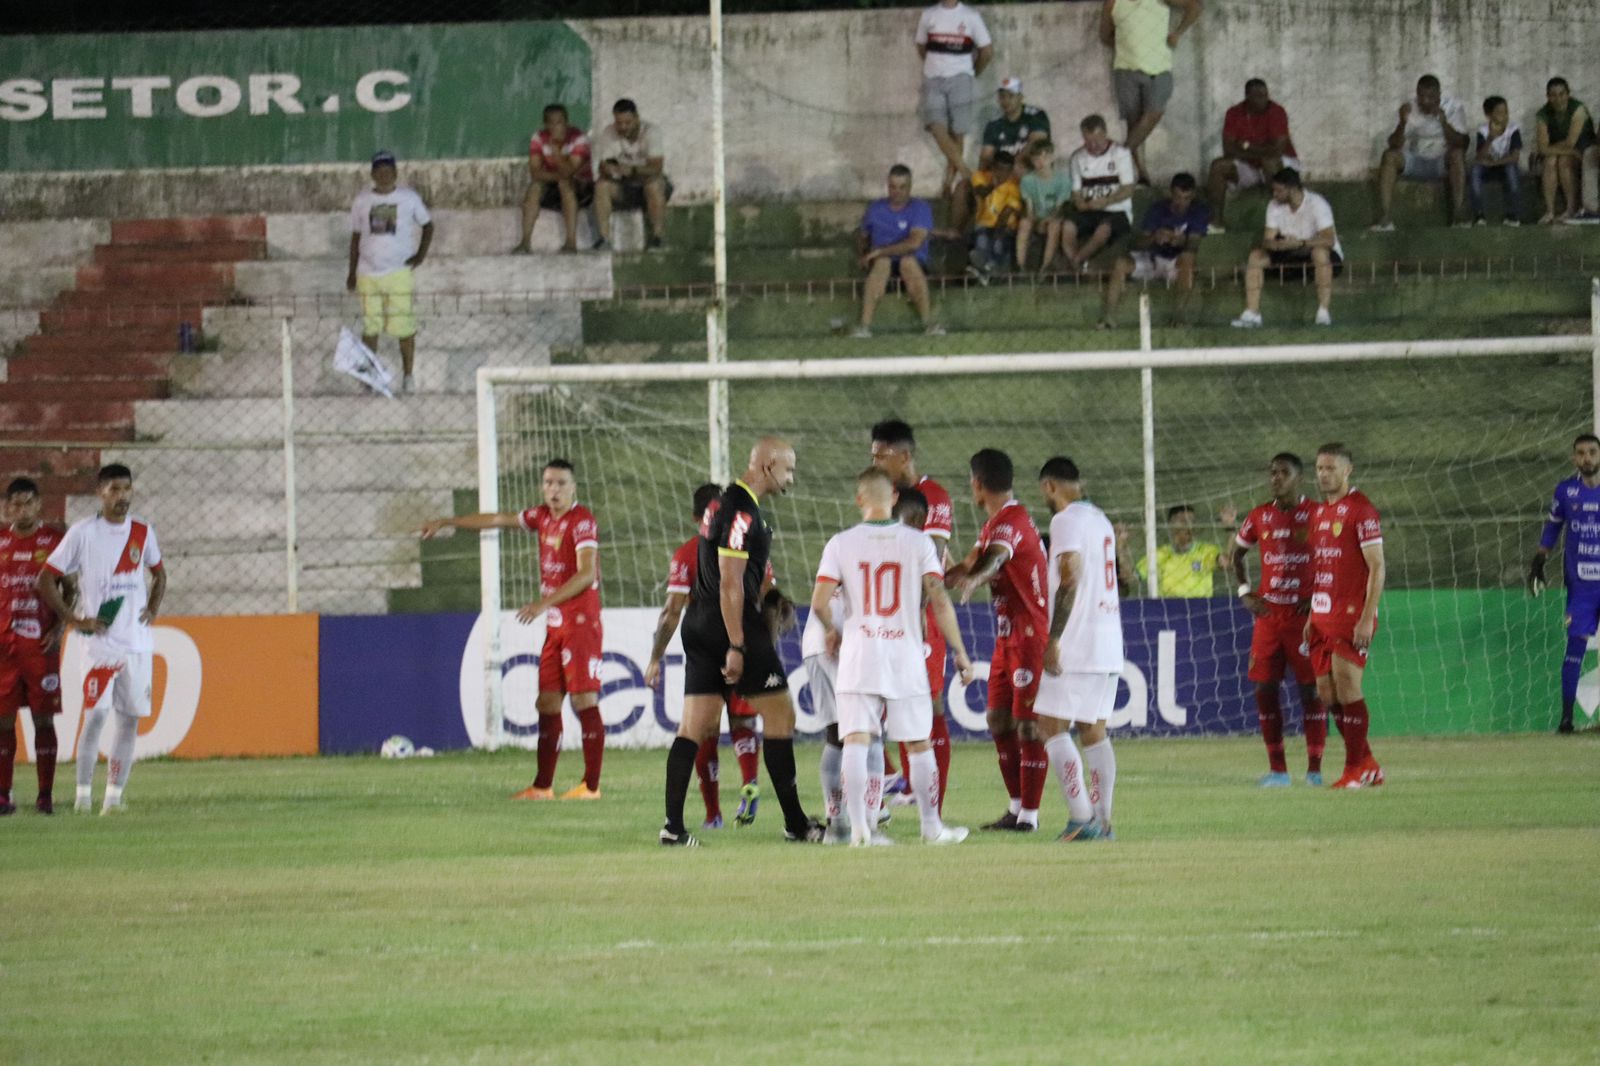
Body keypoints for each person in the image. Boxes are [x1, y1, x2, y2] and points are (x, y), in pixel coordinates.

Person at [660, 437, 822, 846]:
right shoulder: (742, 510)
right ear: (767, 465)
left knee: (693, 727)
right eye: (788, 468)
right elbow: (730, 583)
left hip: (699, 623)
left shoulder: (723, 503)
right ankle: (796, 824)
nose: (792, 476)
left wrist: (771, 598)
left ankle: (673, 829)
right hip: (729, 625)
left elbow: (736, 575)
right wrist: (736, 645)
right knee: (781, 716)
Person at [418, 459, 605, 801]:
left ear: (573, 487)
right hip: (555, 626)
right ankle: (542, 786)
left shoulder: (582, 522)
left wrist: (542, 603)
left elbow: (586, 574)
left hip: (580, 623)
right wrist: (448, 521)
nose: (554, 489)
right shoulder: (541, 517)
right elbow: (498, 520)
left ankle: (591, 787)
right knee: (547, 702)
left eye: (561, 483)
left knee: (583, 699)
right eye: (548, 483)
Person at [810, 467, 975, 846]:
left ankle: (860, 832)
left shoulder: (840, 543)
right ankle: (931, 828)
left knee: (855, 739)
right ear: (895, 498)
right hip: (904, 652)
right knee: (918, 742)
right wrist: (960, 653)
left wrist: (833, 631)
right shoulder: (919, 543)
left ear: (858, 499)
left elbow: (819, 602)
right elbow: (939, 597)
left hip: (859, 652)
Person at [36, 464, 167, 816]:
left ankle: (112, 798)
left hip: (136, 644)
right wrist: (74, 619)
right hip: (99, 646)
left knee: (129, 721)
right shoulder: (83, 533)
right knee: (97, 714)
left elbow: (159, 572)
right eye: (113, 489)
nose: (121, 496)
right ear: (100, 492)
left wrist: (152, 607)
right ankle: (82, 797)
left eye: (126, 489)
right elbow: (45, 579)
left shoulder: (142, 530)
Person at [644, 483, 763, 828]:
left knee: (701, 729)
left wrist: (656, 657)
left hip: (705, 647)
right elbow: (769, 598)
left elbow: (671, 613)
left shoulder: (687, 554)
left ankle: (713, 815)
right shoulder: (747, 547)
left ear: (698, 518)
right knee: (743, 721)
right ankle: (750, 782)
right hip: (743, 642)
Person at [947, 449, 1049, 831]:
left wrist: (974, 579)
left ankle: (1031, 817)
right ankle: (1016, 807)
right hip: (1007, 638)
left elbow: (995, 559)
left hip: (1029, 637)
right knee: (997, 719)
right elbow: (974, 560)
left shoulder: (1012, 521)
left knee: (1027, 725)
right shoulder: (993, 523)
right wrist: (937, 578)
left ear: (977, 483)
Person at [869, 419, 958, 807]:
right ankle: (905, 783)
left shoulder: (932, 496)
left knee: (929, 703)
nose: (874, 463)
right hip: (887, 620)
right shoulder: (885, 495)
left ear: (904, 456)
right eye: (871, 455)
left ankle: (932, 802)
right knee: (888, 702)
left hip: (917, 621)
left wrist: (919, 615)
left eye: (881, 456)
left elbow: (932, 561)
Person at [1224, 453, 1327, 786]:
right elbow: (1237, 553)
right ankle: (1278, 771)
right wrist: (1243, 591)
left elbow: (1336, 558)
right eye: (1273, 473)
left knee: (1311, 691)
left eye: (1284, 473)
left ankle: (1314, 769)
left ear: (1300, 478)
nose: (1276, 478)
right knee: (1264, 689)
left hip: (1303, 618)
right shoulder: (1259, 516)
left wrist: (1317, 597)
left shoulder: (1317, 515)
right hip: (1269, 615)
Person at [1035, 457, 1121, 841]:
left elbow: (1069, 576)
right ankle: (1102, 822)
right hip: (1108, 638)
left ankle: (1080, 816)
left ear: (1050, 486)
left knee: (1051, 725)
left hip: (1078, 641)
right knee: (1093, 729)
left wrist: (1054, 638)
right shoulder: (1100, 520)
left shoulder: (1065, 520)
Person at [1305, 443, 1385, 789]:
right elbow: (1321, 568)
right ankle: (1368, 764)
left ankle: (1355, 768)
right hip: (1322, 615)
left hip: (1352, 615)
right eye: (1320, 468)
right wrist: (1311, 614)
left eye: (1330, 468)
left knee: (1348, 685)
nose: (1324, 475)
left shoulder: (1361, 510)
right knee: (1327, 693)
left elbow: (1378, 566)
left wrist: (1367, 617)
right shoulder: (1320, 514)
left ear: (1347, 470)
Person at [0, 479, 66, 816]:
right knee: (2, 721)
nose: (22, 509)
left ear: (39, 504)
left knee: (43, 719)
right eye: (16, 503)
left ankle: (44, 795)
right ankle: (3, 795)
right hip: (4, 648)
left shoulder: (53, 541)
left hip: (40, 645)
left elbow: (72, 586)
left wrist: (61, 625)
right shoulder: (1, 541)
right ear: (8, 506)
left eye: (28, 503)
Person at [1527, 433, 1600, 734]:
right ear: (1574, 458)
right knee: (1575, 649)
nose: (1587, 458)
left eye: (1592, 452)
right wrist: (1538, 562)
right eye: (1581, 453)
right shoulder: (1566, 491)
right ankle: (1567, 719)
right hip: (1581, 587)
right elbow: (1553, 527)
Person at [346, 150, 433, 395]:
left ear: (395, 172)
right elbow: (355, 237)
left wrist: (420, 255)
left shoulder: (409, 197)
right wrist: (352, 272)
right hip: (367, 274)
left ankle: (408, 376)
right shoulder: (362, 200)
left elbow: (428, 225)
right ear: (373, 174)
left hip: (398, 273)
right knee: (370, 327)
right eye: (379, 171)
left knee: (404, 326)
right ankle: (369, 377)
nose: (384, 175)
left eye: (388, 170)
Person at [1099, 0, 1203, 186]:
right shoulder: (1113, 3)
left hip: (1159, 68)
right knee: (1134, 122)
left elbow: (1195, 6)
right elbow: (1105, 36)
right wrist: (1127, 41)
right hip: (1125, 69)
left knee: (1154, 112)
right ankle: (1142, 174)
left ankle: (1118, 156)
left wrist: (1178, 33)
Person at [1231, 167, 1343, 329]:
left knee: (1319, 253)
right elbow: (1267, 240)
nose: (1274, 194)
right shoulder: (1274, 206)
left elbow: (1329, 240)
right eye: (1273, 190)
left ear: (1292, 189)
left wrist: (1300, 243)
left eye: (1279, 190)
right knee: (1256, 256)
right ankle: (1252, 314)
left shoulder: (1317, 203)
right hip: (1289, 253)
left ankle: (1323, 313)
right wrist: (1278, 245)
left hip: (1317, 253)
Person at [1100, 171, 1208, 329]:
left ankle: (1178, 317)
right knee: (1120, 263)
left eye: (1186, 198)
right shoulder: (1158, 209)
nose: (1181, 202)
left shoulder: (1198, 211)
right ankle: (1108, 317)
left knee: (1188, 258)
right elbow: (1140, 243)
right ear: (1171, 193)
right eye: (1178, 197)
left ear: (1193, 196)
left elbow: (1194, 244)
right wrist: (1155, 237)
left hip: (1175, 264)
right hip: (1152, 259)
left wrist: (1179, 240)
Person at [915, 0, 993, 204]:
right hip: (933, 77)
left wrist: (971, 73)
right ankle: (967, 173)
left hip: (961, 77)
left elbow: (986, 51)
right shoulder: (929, 14)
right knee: (936, 126)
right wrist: (936, 64)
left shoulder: (971, 16)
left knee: (958, 133)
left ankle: (948, 182)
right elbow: (921, 46)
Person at [1372, 74, 1469, 230]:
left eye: (1430, 97)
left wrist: (1444, 123)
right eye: (1421, 96)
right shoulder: (1409, 109)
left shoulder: (1453, 107)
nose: (1425, 101)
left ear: (1439, 95)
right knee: (1389, 156)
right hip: (1416, 160)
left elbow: (1463, 143)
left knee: (1457, 155)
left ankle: (1458, 216)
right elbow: (1393, 144)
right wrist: (1402, 123)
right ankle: (1384, 217)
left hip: (1441, 161)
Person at [855, 165, 942, 338]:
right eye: (893, 187)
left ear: (910, 187)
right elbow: (863, 235)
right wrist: (863, 254)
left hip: (913, 265)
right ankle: (864, 326)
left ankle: (928, 324)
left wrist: (880, 251)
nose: (897, 192)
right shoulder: (876, 209)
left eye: (902, 187)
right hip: (883, 269)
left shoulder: (920, 208)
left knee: (907, 261)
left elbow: (914, 243)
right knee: (882, 262)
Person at [1205, 79, 1300, 231]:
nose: (1264, 100)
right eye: (1258, 96)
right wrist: (1260, 151)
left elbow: (1278, 149)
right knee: (1218, 166)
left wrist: (1246, 146)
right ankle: (1216, 222)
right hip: (1250, 165)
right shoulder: (1234, 113)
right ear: (1247, 96)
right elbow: (1228, 150)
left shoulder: (1276, 111)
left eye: (1265, 95)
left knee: (1268, 161)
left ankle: (1285, 220)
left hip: (1281, 163)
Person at [591, 98, 671, 251]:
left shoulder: (651, 132)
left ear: (637, 118)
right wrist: (608, 169)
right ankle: (604, 238)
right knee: (601, 186)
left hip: (649, 185)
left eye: (627, 122)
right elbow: (603, 166)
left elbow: (657, 167)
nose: (623, 127)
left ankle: (657, 237)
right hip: (625, 187)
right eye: (619, 123)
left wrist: (632, 170)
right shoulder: (609, 132)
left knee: (653, 184)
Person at [514, 104, 595, 255]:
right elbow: (535, 172)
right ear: (546, 125)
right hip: (555, 182)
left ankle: (571, 242)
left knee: (565, 184)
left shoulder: (578, 138)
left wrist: (556, 152)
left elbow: (569, 171)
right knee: (535, 187)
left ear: (566, 122)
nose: (556, 127)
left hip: (582, 188)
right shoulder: (538, 137)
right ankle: (525, 242)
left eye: (560, 122)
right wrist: (558, 176)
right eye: (551, 122)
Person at [1064, 115, 1137, 271]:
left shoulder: (1120, 154)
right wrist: (1081, 204)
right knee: (1068, 225)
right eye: (1088, 141)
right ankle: (1076, 263)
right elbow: (1076, 191)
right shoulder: (1077, 158)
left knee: (1103, 228)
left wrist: (1107, 201)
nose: (1093, 146)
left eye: (1097, 140)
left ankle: (1077, 262)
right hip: (1090, 210)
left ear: (1105, 133)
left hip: (1116, 211)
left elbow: (1128, 189)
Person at [1118, 503, 1231, 598]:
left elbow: (1227, 563)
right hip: (1167, 611)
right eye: (1182, 520)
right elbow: (1129, 578)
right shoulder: (1159, 554)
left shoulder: (1206, 550)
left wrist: (1230, 528)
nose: (1188, 525)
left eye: (1191, 520)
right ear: (1170, 525)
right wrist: (1121, 545)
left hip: (1201, 609)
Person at [1533, 77, 1597, 225]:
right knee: (1549, 163)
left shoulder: (1578, 109)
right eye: (1553, 95)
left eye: (1562, 94)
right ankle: (1549, 211)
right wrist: (1556, 150)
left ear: (1568, 94)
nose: (1558, 99)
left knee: (1564, 162)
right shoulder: (1543, 114)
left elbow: (1571, 142)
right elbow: (1542, 148)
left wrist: (1555, 149)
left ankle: (1570, 208)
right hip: (1562, 150)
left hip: (1582, 147)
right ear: (1548, 97)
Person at [1016, 140, 1074, 275]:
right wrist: (1035, 220)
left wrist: (1046, 220)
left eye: (1045, 158)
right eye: (1037, 159)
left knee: (1054, 225)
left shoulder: (1062, 179)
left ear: (1052, 157)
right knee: (1024, 223)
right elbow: (1029, 208)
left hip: (1054, 216)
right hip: (1037, 215)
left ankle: (1045, 267)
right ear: (1031, 160)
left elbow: (1059, 207)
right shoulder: (1027, 180)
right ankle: (1020, 266)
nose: (1041, 162)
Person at [966, 150, 1022, 282]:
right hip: (983, 223)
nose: (1003, 174)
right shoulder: (979, 176)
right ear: (992, 167)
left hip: (1005, 226)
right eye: (999, 169)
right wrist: (993, 185)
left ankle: (984, 268)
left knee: (998, 243)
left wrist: (998, 231)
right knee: (982, 240)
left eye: (1007, 170)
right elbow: (981, 192)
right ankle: (989, 269)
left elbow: (1007, 212)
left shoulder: (1014, 186)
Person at [1470, 95, 1524, 227]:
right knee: (1475, 171)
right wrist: (1490, 139)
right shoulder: (1483, 131)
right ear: (1489, 115)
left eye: (1506, 112)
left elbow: (1514, 157)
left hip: (1504, 166)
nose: (1504, 116)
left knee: (1511, 170)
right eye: (1499, 113)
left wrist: (1493, 163)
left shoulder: (1513, 130)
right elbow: (1480, 157)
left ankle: (1513, 214)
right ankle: (1479, 214)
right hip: (1488, 168)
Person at [980, 77, 1052, 172]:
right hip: (1004, 175)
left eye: (1011, 96)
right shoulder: (994, 124)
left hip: (1030, 172)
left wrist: (1013, 165)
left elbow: (1037, 143)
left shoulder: (1036, 115)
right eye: (1002, 96)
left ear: (1020, 97)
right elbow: (986, 157)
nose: (1006, 101)